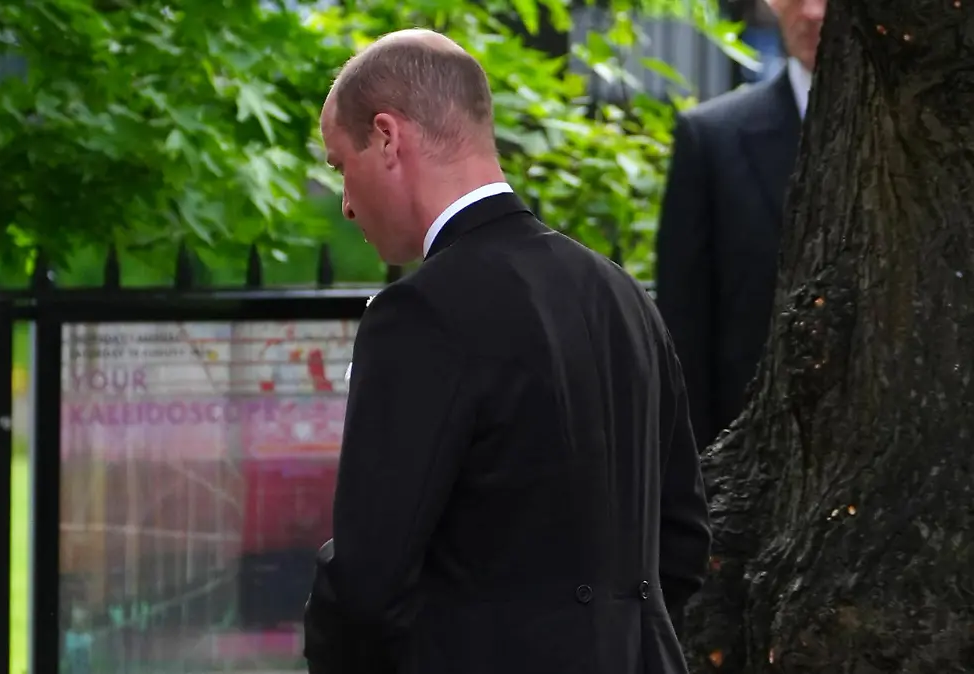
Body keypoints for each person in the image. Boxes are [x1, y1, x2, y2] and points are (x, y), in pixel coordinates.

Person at [304, 28, 712, 674]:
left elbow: (368, 585)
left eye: (338, 165)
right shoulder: (624, 297)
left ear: (387, 137)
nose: (347, 204)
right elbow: (684, 538)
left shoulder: (421, 315)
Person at [655, 0, 825, 450]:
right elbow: (684, 323)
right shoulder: (712, 138)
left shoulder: (931, 139)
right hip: (750, 447)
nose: (811, 13)